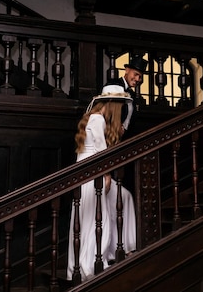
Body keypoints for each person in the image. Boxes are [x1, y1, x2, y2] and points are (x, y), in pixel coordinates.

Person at [67, 84, 137, 282]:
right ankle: (91, 263)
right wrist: (106, 175)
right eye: (120, 105)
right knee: (96, 218)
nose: (121, 109)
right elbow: (101, 152)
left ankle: (121, 248)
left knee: (123, 196)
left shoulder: (95, 117)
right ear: (113, 104)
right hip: (91, 172)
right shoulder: (97, 119)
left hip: (89, 170)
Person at [107, 56, 148, 131]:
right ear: (127, 70)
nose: (137, 79)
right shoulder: (113, 85)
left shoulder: (132, 94)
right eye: (135, 74)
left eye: (140, 77)